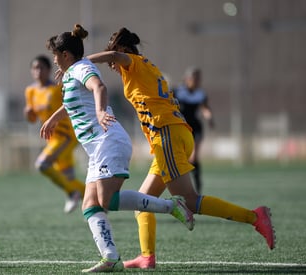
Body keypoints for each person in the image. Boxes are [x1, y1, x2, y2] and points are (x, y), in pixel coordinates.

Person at [87, 27, 276, 269]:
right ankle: (147, 257)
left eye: (112, 57)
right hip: (173, 135)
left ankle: (255, 217)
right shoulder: (143, 67)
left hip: (167, 134)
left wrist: (80, 63)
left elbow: (114, 57)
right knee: (142, 202)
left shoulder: (132, 62)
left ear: (122, 50)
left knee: (190, 201)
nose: (110, 65)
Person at [41, 24, 194, 273]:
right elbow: (76, 101)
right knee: (90, 205)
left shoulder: (81, 68)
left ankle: (172, 206)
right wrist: (55, 118)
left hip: (108, 141)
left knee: (107, 200)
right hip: (97, 147)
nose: (55, 61)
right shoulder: (71, 74)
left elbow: (98, 88)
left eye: (56, 56)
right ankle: (110, 257)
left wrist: (101, 111)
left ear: (66, 55)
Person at [24, 55, 85, 213]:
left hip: (66, 136)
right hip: (52, 139)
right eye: (34, 68)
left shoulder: (57, 88)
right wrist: (28, 113)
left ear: (49, 70)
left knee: (42, 165)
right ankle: (98, 202)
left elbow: (70, 106)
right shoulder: (30, 91)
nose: (38, 71)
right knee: (68, 179)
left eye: (41, 68)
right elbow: (32, 119)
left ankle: (72, 194)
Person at [173, 67, 214, 194]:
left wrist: (209, 117)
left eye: (198, 79)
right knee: (181, 158)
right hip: (181, 127)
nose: (196, 81)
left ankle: (197, 185)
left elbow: (205, 108)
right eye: (194, 78)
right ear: (187, 79)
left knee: (194, 157)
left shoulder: (200, 94)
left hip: (195, 127)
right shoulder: (178, 92)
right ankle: (184, 185)